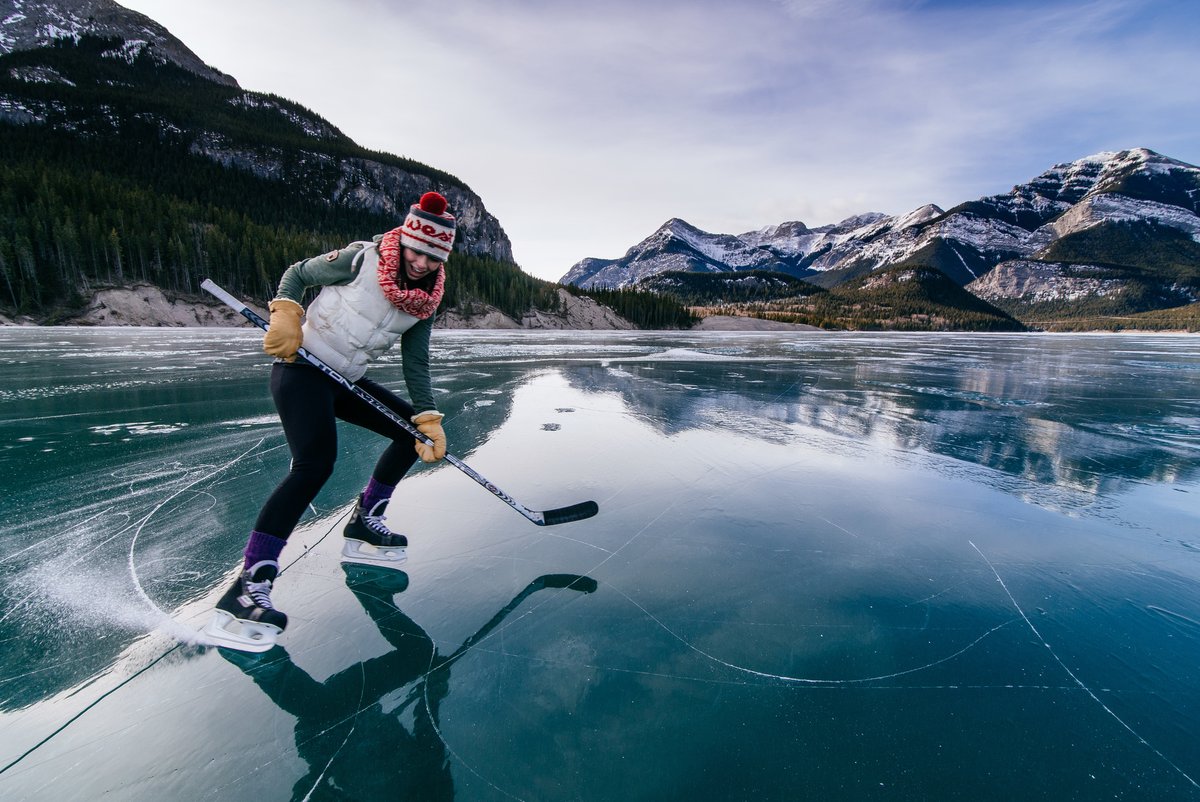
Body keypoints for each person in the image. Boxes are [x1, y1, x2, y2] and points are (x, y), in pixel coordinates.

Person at [205, 191, 456, 652]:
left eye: (433, 256)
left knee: (410, 433)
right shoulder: (361, 260)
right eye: (417, 250)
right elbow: (298, 274)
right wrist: (286, 312)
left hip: (344, 378)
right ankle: (248, 585)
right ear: (404, 240)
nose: (421, 262)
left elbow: (415, 363)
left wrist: (428, 416)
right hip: (301, 367)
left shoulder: (424, 301)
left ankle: (365, 518)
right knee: (315, 465)